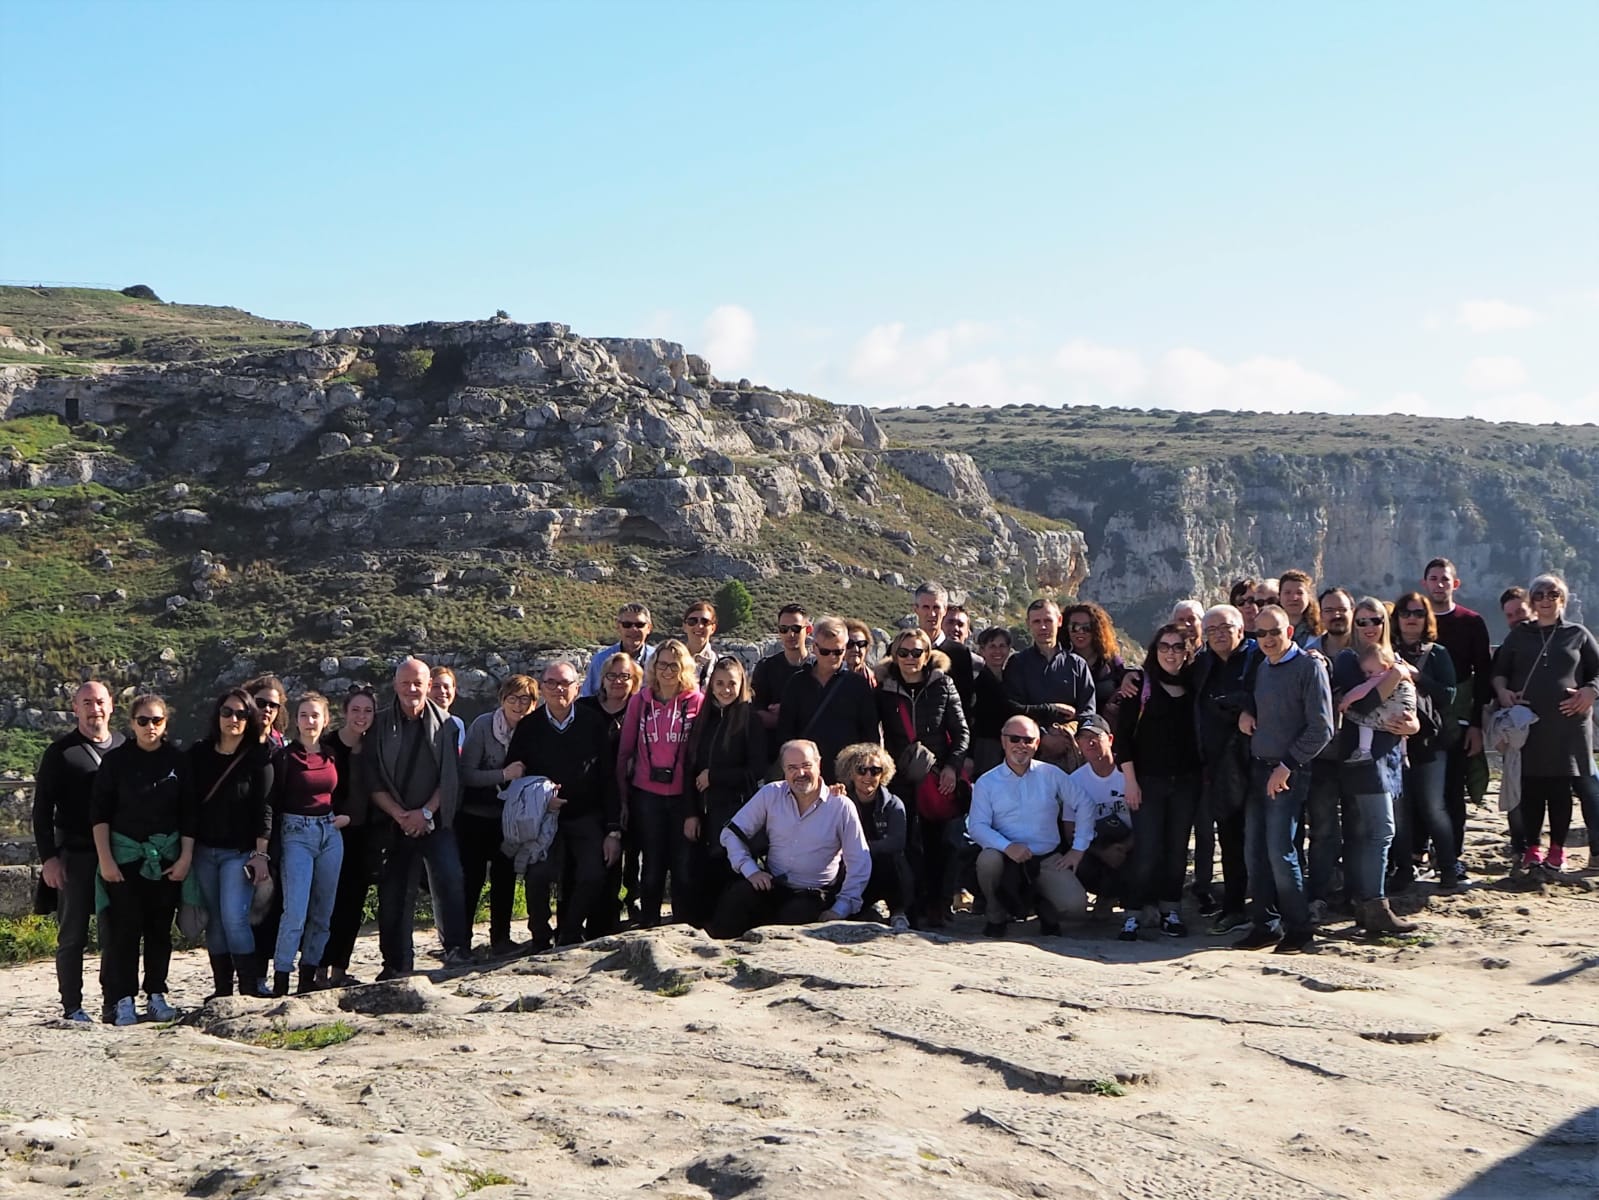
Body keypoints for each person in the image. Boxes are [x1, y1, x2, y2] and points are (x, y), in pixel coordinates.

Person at [1235, 605, 1333, 954]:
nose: (1268, 639)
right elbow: (1260, 702)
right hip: (1259, 767)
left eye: (1274, 632)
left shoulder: (1309, 667)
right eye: (1260, 634)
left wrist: (1288, 766)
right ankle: (1266, 925)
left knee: (1281, 850)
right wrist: (1248, 714)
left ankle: (1300, 928)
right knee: (1255, 850)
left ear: (1289, 632)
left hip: (1290, 770)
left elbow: (1322, 729)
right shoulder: (1262, 666)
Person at [92, 694, 196, 1026]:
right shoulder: (115, 762)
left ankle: (156, 995)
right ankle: (123, 1000)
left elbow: (190, 815)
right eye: (143, 721)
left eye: (156, 721)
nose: (150, 727)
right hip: (125, 858)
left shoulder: (179, 761)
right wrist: (106, 860)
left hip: (166, 858)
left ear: (166, 723)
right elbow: (100, 815)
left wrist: (185, 859)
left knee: (159, 932)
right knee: (124, 932)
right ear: (132, 723)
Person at [508, 661, 623, 946]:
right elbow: (515, 774)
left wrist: (613, 830)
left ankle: (569, 933)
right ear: (542, 687)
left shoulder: (594, 723)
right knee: (537, 876)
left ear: (578, 688)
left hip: (585, 815)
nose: (558, 689)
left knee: (593, 873)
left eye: (565, 684)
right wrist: (543, 798)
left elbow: (609, 778)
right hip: (542, 817)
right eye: (551, 683)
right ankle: (540, 936)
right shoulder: (528, 726)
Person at [368, 657, 470, 979]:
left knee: (451, 879)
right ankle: (396, 963)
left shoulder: (449, 726)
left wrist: (425, 813)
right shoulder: (378, 725)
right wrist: (402, 816)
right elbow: (373, 780)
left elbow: (450, 778)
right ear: (395, 685)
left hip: (434, 820)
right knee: (396, 892)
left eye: (418, 683)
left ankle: (456, 948)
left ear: (429, 685)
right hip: (394, 822)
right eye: (405, 683)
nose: (412, 689)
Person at [707, 740, 871, 939]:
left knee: (792, 921)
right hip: (772, 885)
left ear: (819, 764)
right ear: (783, 770)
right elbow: (730, 832)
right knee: (735, 900)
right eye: (792, 768)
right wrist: (750, 870)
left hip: (814, 894)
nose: (800, 773)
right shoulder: (770, 794)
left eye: (806, 766)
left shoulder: (840, 806)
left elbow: (859, 861)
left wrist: (840, 908)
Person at [1490, 573, 1599, 872]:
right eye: (1538, 595)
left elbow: (1597, 671)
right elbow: (1498, 671)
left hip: (1569, 727)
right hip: (1530, 726)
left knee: (1561, 791)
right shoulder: (1520, 635)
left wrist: (1591, 691)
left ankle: (1558, 850)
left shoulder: (1578, 633)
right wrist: (1503, 692)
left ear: (1562, 599)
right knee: (1532, 789)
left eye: (1552, 594)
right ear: (1532, 601)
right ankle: (1532, 848)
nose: (1546, 600)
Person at [32, 681, 124, 1021]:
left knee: (113, 933)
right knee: (72, 936)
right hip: (75, 855)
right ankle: (72, 1006)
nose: (94, 708)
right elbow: (41, 812)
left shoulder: (125, 748)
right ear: (75, 708)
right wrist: (49, 859)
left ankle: (112, 1002)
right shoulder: (60, 753)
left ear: (111, 706)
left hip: (117, 856)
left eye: (100, 701)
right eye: (87, 702)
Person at [1331, 600, 1421, 934]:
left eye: (1377, 620)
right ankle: (1374, 904)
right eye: (1362, 621)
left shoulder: (1393, 658)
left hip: (1390, 758)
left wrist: (1414, 726)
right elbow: (1362, 707)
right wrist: (1396, 674)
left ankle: (1365, 903)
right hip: (1363, 760)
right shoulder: (1349, 660)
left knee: (1370, 832)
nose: (1370, 626)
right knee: (1380, 831)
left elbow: (1413, 704)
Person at [877, 627, 970, 927]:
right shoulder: (884, 689)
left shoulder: (942, 684)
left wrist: (952, 768)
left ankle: (940, 905)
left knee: (943, 844)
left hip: (938, 776)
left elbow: (961, 732)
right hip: (900, 778)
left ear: (927, 655)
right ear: (894, 655)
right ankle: (911, 905)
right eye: (903, 652)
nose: (910, 658)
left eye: (917, 652)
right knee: (908, 844)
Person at [967, 716, 1088, 938]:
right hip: (1005, 857)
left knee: (1075, 907)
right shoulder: (987, 782)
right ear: (1003, 741)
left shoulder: (1051, 774)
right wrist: (1007, 847)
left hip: (1047, 859)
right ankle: (995, 912)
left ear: (1037, 744)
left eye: (1028, 740)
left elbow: (1084, 803)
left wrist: (1078, 848)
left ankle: (1043, 905)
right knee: (987, 860)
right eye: (1015, 739)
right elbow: (977, 826)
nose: (1021, 745)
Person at [1115, 624, 1200, 940]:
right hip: (1147, 782)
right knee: (1147, 849)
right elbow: (1122, 738)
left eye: (1178, 647)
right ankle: (1133, 913)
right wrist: (1130, 781)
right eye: (1164, 646)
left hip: (1187, 782)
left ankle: (1170, 910)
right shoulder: (1139, 684)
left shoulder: (1194, 683)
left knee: (1177, 850)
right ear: (1155, 650)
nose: (1171, 653)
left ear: (1187, 651)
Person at [188, 689, 274, 1001]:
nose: (233, 719)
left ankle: (248, 988)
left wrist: (260, 854)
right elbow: (187, 804)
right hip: (203, 851)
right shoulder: (198, 754)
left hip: (238, 853)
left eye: (240, 714)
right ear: (217, 715)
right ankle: (223, 991)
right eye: (227, 712)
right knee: (215, 920)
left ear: (249, 719)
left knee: (235, 917)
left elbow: (265, 809)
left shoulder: (259, 758)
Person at [616, 640, 704, 927]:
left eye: (674, 665)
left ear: (684, 668)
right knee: (651, 865)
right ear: (653, 667)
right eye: (662, 664)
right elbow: (625, 752)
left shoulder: (696, 702)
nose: (667, 671)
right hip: (647, 794)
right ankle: (648, 924)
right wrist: (624, 800)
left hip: (683, 796)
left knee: (683, 866)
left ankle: (683, 925)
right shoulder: (639, 702)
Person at [457, 675, 538, 955]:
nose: (518, 704)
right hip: (476, 815)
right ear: (502, 700)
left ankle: (500, 939)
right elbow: (466, 773)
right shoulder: (483, 726)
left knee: (504, 879)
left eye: (525, 699)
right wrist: (503, 774)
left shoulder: (534, 729)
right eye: (512, 698)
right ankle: (461, 942)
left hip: (511, 819)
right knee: (472, 879)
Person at [1424, 558, 1493, 884]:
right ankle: (1418, 853)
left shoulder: (1472, 622)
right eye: (1433, 578)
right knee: (1420, 791)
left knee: (1453, 791)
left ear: (1456, 583)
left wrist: (1477, 724)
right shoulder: (1415, 620)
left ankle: (1453, 856)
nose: (1439, 584)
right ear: (1425, 583)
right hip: (1420, 722)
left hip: (1461, 722)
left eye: (1444, 579)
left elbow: (1483, 676)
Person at [1191, 606, 1259, 933]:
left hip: (1256, 762)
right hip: (1217, 765)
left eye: (1225, 627)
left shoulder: (1256, 657)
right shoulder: (1202, 663)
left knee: (1262, 838)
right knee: (1229, 839)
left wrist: (1238, 704)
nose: (1219, 633)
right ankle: (1233, 907)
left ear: (1241, 630)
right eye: (1212, 628)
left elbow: (1265, 693)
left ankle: (1266, 906)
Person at [688, 656, 770, 918]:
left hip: (735, 812)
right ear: (711, 685)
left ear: (741, 684)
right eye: (720, 683)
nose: (725, 689)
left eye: (732, 684)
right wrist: (690, 812)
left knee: (730, 874)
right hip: (704, 813)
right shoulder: (704, 720)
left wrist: (716, 776)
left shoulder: (750, 720)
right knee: (700, 875)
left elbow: (756, 770)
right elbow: (690, 770)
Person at [1388, 593, 1457, 889]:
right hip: (1394, 743)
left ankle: (1449, 865)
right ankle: (1404, 868)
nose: (1411, 618)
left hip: (1430, 743)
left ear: (1426, 618)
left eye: (1417, 613)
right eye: (1405, 612)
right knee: (1399, 811)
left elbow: (1449, 694)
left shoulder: (1438, 653)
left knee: (1432, 806)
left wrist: (1418, 677)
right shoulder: (1386, 650)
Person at [578, 650, 642, 931]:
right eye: (612, 676)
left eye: (624, 676)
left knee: (636, 860)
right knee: (603, 860)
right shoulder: (585, 709)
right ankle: (599, 922)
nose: (617, 681)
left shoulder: (641, 711)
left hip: (637, 793)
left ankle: (634, 914)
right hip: (596, 797)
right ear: (601, 679)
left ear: (635, 681)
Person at [776, 616, 880, 785]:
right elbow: (785, 732)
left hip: (847, 777)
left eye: (838, 652)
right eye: (826, 651)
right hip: (806, 776)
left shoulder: (858, 686)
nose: (832, 657)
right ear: (814, 648)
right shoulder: (797, 683)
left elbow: (869, 736)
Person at [321, 684, 376, 987]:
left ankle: (340, 970)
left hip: (364, 835)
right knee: (327, 904)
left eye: (367, 710)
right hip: (331, 834)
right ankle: (317, 970)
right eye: (355, 709)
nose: (361, 716)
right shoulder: (328, 746)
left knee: (353, 904)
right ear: (344, 712)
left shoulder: (374, 747)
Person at [1003, 598, 1095, 767]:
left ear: (1059, 621)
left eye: (1048, 620)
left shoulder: (1077, 664)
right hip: (1029, 755)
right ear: (1028, 624)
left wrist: (1068, 733)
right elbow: (1013, 708)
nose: (1043, 627)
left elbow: (1088, 711)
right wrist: (1043, 737)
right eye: (1037, 621)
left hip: (1072, 756)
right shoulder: (1018, 663)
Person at [836, 742, 912, 931]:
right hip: (849, 870)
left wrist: (861, 848)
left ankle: (898, 913)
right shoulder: (840, 802)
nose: (868, 776)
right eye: (861, 770)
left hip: (883, 869)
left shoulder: (894, 804)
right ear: (850, 773)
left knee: (890, 859)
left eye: (875, 770)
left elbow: (897, 842)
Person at [1065, 715, 1136, 909]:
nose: (1090, 742)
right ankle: (1106, 897)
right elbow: (1070, 830)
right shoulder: (1074, 781)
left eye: (1096, 736)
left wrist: (1124, 847)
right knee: (1079, 862)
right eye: (1083, 737)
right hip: (1095, 845)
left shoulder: (1128, 774)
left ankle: (1143, 902)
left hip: (1130, 843)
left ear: (1110, 739)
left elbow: (1148, 822)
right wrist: (1101, 852)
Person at [1340, 644, 1416, 764]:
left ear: (1384, 666)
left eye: (1369, 672)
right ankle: (1404, 754)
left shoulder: (1381, 675)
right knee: (1401, 730)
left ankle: (1364, 750)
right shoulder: (1399, 669)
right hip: (1405, 710)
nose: (1367, 676)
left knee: (1364, 722)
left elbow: (1362, 691)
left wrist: (1347, 700)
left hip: (1391, 710)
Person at [1062, 601, 1130, 727]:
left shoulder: (1110, 661)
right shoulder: (1060, 662)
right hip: (1070, 727)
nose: (1080, 632)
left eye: (1087, 628)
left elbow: (1127, 676)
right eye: (1074, 627)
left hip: (1106, 728)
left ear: (1096, 630)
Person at [914, 582, 976, 713]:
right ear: (916, 609)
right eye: (926, 607)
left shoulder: (959, 653)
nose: (932, 614)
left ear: (945, 610)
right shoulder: (900, 649)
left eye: (936, 607)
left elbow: (965, 702)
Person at [750, 604, 812, 733]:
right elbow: (756, 712)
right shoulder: (766, 667)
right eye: (784, 629)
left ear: (808, 630)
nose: (790, 634)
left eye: (796, 628)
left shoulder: (819, 667)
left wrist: (787, 713)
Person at [969, 626, 1021, 777]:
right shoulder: (977, 681)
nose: (997, 651)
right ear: (982, 650)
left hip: (1011, 745)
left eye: (1002, 646)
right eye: (992, 646)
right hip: (985, 747)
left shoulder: (1012, 679)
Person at [580, 602, 654, 697]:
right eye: (627, 624)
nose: (633, 629)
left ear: (649, 628)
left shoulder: (658, 660)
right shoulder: (601, 660)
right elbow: (587, 698)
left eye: (639, 625)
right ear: (618, 626)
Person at [681, 599, 720, 689]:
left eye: (705, 622)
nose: (699, 626)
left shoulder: (718, 663)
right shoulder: (672, 659)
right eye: (692, 621)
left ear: (713, 628)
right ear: (684, 626)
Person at [1279, 569, 1324, 646]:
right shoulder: (1269, 629)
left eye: (1299, 593)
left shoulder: (1322, 632)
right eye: (1287, 593)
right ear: (1279, 596)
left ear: (1309, 596)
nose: (1293, 598)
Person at [428, 666, 467, 752]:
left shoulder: (457, 723)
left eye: (446, 686)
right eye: (436, 686)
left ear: (454, 690)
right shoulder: (419, 722)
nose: (442, 691)